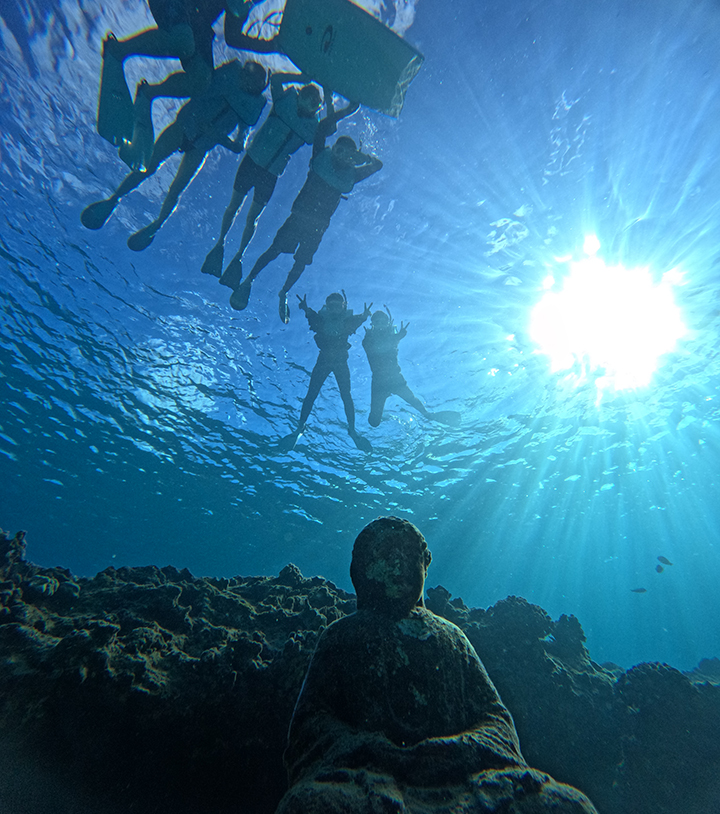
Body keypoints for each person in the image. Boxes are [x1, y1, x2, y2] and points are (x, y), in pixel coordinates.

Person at [275, 516, 599, 814]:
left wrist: (459, 748)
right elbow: (311, 721)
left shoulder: (452, 639)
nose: (397, 563)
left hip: (463, 780)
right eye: (384, 552)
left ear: (425, 563)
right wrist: (371, 749)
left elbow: (495, 718)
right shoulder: (342, 636)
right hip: (370, 776)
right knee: (311, 805)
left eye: (408, 553)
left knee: (569, 805)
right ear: (360, 569)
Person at [81, 60, 268, 251]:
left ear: (259, 85)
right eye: (246, 76)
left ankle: (156, 224)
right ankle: (115, 199)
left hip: (200, 146)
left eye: (252, 81)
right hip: (184, 127)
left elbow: (239, 146)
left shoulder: (250, 107)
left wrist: (217, 136)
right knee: (149, 165)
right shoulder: (228, 77)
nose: (246, 82)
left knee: (175, 188)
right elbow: (198, 86)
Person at [200, 76, 356, 289]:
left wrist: (328, 97)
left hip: (270, 174)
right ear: (299, 95)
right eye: (306, 98)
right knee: (234, 206)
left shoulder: (312, 126)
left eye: (315, 104)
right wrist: (301, 76)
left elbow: (330, 126)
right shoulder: (283, 102)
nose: (308, 105)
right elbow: (274, 79)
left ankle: (238, 257)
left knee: (252, 217)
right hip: (252, 162)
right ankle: (220, 244)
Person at [229, 128, 382, 324]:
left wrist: (364, 157)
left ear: (353, 157)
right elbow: (320, 132)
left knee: (301, 261)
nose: (341, 157)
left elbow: (379, 165)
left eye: (347, 154)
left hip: (317, 227)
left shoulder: (351, 175)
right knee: (274, 250)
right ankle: (249, 279)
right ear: (333, 149)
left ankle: (283, 292)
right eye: (339, 150)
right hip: (299, 218)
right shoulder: (321, 156)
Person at [100, 0, 253, 170]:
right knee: (182, 41)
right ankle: (117, 50)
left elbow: (234, 27)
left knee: (201, 81)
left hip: (197, 23)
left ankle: (148, 93)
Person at [279, 292, 373, 453]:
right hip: (324, 360)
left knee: (346, 395)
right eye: (332, 306)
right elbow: (311, 316)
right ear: (327, 307)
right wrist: (305, 308)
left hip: (339, 362)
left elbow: (357, 320)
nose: (335, 309)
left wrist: (365, 316)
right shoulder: (321, 319)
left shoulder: (348, 320)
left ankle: (352, 430)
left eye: (338, 306)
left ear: (343, 306)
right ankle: (300, 427)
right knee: (312, 394)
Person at [362, 308, 462, 427]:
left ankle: (429, 414)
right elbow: (376, 346)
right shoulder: (369, 340)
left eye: (382, 322)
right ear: (372, 325)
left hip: (395, 379)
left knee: (420, 409)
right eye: (377, 322)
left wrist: (398, 336)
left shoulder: (393, 338)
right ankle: (384, 416)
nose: (380, 325)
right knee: (373, 422)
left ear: (388, 323)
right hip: (379, 383)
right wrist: (398, 336)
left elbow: (388, 344)